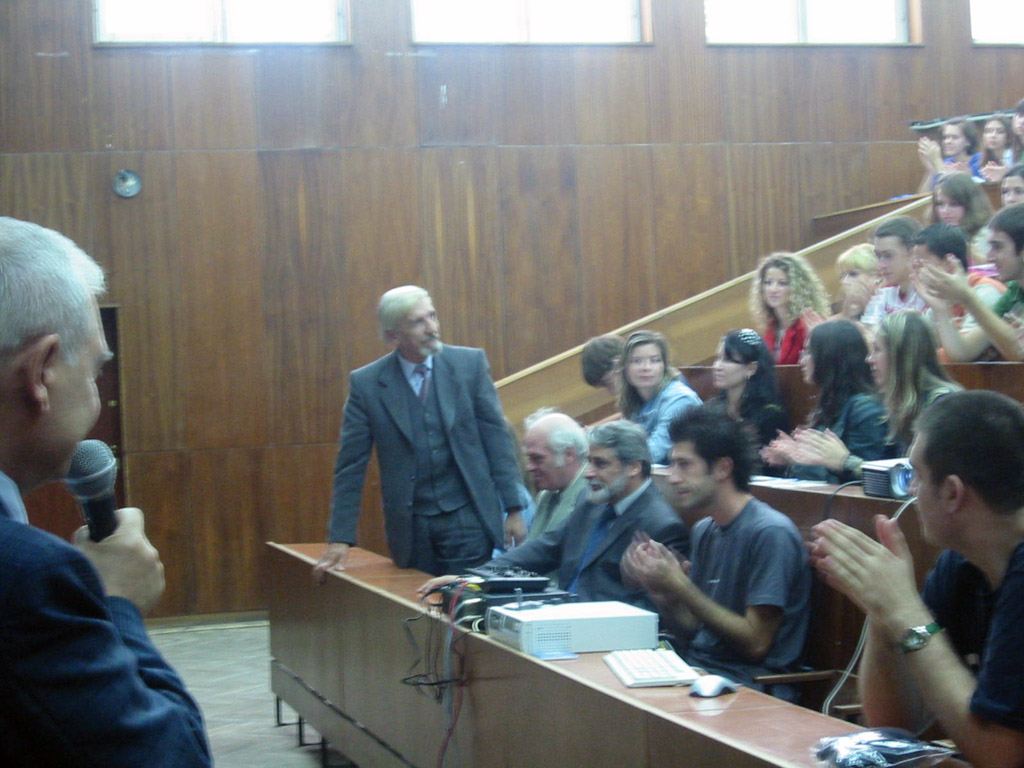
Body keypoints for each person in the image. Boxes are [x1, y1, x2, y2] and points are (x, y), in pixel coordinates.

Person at [0, 217, 211, 766]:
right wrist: (116, 604)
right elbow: (174, 758)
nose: (94, 398)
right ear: (40, 372)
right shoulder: (27, 578)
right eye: (94, 370)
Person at [810, 391, 1024, 767]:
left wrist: (906, 613)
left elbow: (1001, 756)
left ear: (952, 493)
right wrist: (883, 610)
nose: (910, 491)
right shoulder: (961, 565)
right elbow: (892, 726)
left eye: (916, 476)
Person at [315, 285, 525, 579]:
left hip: (467, 516)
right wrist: (340, 536)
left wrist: (514, 508)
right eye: (418, 322)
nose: (432, 328)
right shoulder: (367, 384)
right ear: (393, 336)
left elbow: (497, 440)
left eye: (432, 316)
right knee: (416, 604)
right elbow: (350, 465)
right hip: (411, 526)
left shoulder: (469, 365)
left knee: (466, 600)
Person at [621, 406, 811, 700]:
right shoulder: (704, 530)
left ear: (722, 468)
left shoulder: (770, 533)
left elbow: (756, 643)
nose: (672, 477)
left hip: (751, 687)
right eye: (672, 465)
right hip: (702, 673)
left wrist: (679, 584)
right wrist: (662, 592)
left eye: (684, 465)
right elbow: (695, 630)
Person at [418, 420, 689, 608]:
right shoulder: (591, 503)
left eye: (600, 464)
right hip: (559, 616)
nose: (589, 473)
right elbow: (542, 550)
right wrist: (472, 579)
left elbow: (648, 611)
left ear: (633, 467)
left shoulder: (661, 525)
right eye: (589, 462)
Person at [787, 312, 961, 479]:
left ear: (900, 355)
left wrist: (844, 462)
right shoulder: (903, 405)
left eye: (877, 349)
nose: (869, 359)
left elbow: (914, 482)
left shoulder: (943, 405)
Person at [762, 320, 888, 483]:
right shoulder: (830, 403)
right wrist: (795, 456)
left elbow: (865, 480)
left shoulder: (866, 409)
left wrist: (797, 459)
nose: (801, 361)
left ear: (829, 356)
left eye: (808, 352)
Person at [918, 203, 1024, 362]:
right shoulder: (1014, 292)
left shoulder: (989, 290)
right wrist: (941, 309)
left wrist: (967, 297)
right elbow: (962, 353)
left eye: (998, 247)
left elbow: (1019, 353)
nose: (989, 257)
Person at [912, 223, 1005, 348]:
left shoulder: (986, 293)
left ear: (949, 263)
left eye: (922, 264)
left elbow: (961, 354)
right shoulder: (941, 299)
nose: (916, 270)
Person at [618, 330, 701, 465]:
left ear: (664, 366)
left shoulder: (680, 399)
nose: (646, 368)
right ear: (625, 368)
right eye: (637, 361)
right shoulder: (634, 400)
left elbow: (653, 454)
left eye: (655, 360)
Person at [710, 328, 789, 453]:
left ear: (751, 368)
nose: (717, 366)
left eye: (727, 360)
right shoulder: (712, 408)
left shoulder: (770, 416)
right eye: (717, 358)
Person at [749, 252, 830, 364]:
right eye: (768, 282)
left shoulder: (808, 325)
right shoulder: (770, 327)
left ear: (798, 288)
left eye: (782, 283)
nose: (773, 289)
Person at [521, 409, 589, 540]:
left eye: (537, 458)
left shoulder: (591, 497)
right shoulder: (545, 495)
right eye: (529, 459)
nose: (529, 467)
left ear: (568, 455)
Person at [861, 216, 926, 322]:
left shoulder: (934, 293)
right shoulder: (883, 292)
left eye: (888, 256)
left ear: (913, 253)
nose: (880, 265)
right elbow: (869, 329)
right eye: (878, 256)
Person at [930, 172, 993, 264]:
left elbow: (992, 268)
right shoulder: (934, 236)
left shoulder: (986, 235)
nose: (945, 211)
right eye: (940, 204)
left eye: (954, 204)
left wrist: (972, 253)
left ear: (970, 204)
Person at [917, 117, 980, 191]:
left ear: (968, 141)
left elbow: (949, 193)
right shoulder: (946, 162)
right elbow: (923, 196)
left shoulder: (980, 161)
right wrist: (931, 170)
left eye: (955, 137)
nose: (948, 142)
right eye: (945, 137)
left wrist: (937, 160)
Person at [974, 116, 1014, 183]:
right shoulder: (979, 160)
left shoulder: (1013, 157)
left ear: (1008, 136)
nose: (993, 135)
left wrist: (1006, 172)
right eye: (988, 131)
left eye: (1000, 132)